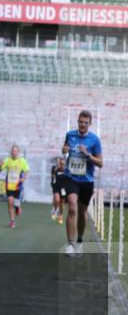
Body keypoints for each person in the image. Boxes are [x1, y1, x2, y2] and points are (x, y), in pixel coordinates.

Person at [61, 110, 104, 256]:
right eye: (81, 122)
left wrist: (88, 155)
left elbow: (100, 163)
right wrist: (63, 150)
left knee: (82, 212)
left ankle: (79, 241)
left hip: (86, 181)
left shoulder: (95, 140)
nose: (83, 125)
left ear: (89, 124)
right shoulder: (70, 135)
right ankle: (70, 244)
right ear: (78, 122)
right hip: (71, 178)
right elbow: (65, 149)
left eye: (86, 123)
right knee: (72, 207)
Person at [0, 145, 29, 229]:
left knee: (16, 204)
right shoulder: (7, 160)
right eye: (13, 151)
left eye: (15, 151)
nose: (14, 152)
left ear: (18, 152)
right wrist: (0, 165)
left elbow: (27, 170)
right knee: (10, 202)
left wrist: (23, 178)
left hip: (18, 186)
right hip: (9, 185)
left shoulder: (22, 161)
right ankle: (12, 221)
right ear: (11, 152)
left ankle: (18, 207)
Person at [51, 155, 65, 224]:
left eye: (63, 163)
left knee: (62, 203)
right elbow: (53, 176)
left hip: (63, 188)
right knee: (57, 199)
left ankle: (60, 215)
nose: (61, 164)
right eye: (60, 163)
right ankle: (55, 210)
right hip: (56, 186)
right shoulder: (54, 168)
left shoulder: (66, 170)